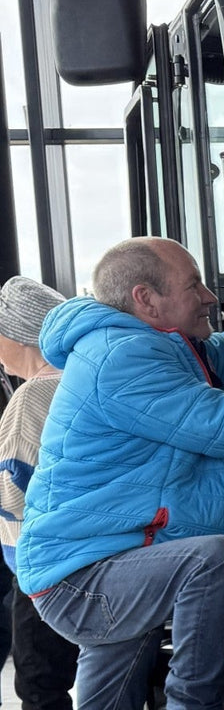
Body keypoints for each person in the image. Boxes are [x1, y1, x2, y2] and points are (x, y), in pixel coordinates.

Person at [18, 237, 224, 710]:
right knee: (214, 559)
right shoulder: (123, 357)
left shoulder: (155, 345)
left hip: (107, 558)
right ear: (146, 299)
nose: (210, 297)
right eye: (194, 285)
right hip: (86, 577)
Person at [0, 277, 79, 710]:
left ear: (20, 336)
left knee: (38, 685)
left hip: (41, 560)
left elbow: (12, 489)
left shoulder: (32, 395)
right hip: (83, 548)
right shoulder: (80, 380)